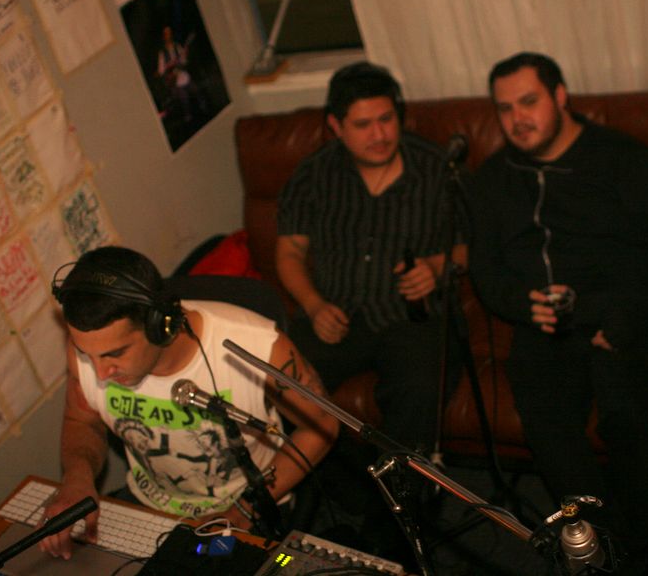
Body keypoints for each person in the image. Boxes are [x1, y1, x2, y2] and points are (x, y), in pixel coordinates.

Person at [467, 52, 648, 574]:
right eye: (504, 109)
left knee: (626, 417)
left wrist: (624, 318)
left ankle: (637, 540)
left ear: (560, 96)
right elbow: (484, 266)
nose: (517, 118)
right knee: (550, 430)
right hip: (541, 326)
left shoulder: (622, 159)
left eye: (529, 102)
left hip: (616, 319)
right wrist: (521, 303)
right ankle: (608, 551)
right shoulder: (492, 178)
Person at [39, 246, 338, 560]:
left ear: (160, 325)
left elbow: (323, 426)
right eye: (87, 355)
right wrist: (77, 479)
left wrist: (242, 512)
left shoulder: (259, 346)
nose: (101, 373)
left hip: (248, 507)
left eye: (115, 354)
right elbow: (81, 420)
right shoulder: (89, 345)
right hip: (150, 507)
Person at [275, 61, 465, 453]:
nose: (379, 135)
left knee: (420, 390)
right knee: (282, 388)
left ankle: (400, 489)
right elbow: (290, 251)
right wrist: (313, 305)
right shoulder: (314, 174)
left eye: (386, 120)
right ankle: (342, 482)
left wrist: (435, 267)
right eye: (363, 125)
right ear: (336, 126)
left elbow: (468, 246)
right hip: (334, 311)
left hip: (412, 317)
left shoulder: (436, 169)